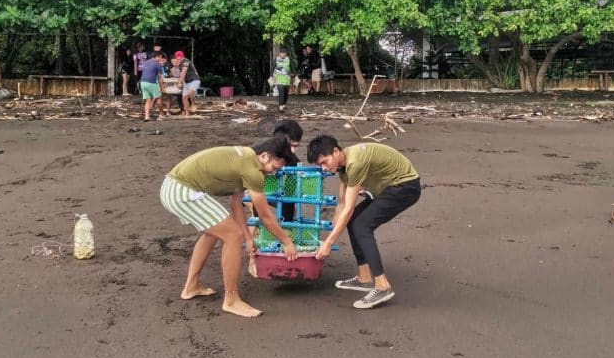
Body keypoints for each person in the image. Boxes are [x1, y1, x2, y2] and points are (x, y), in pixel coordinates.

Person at [160, 139, 298, 318]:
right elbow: (265, 216)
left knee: (214, 233)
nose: (275, 172)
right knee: (233, 235)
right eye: (275, 167)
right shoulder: (252, 169)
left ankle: (191, 287)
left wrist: (249, 239)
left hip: (175, 188)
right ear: (264, 156)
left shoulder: (245, 159)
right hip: (181, 191)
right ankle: (231, 300)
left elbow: (236, 203)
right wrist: (286, 242)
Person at [307, 135, 422, 310]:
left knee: (362, 225)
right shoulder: (343, 168)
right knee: (354, 221)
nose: (324, 168)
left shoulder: (355, 163)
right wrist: (326, 240)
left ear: (336, 151)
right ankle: (364, 278)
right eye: (320, 165)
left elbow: (348, 208)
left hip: (406, 186)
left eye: (325, 162)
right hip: (388, 188)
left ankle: (382, 287)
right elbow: (341, 204)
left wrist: (329, 244)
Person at [139, 52, 168, 121]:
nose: (161, 59)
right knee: (159, 98)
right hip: (151, 82)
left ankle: (147, 116)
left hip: (142, 83)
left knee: (147, 100)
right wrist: (162, 88)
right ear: (159, 56)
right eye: (161, 58)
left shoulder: (145, 62)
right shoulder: (157, 64)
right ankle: (161, 114)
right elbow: (160, 78)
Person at [172, 49, 200, 118]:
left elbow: (184, 73)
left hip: (194, 80)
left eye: (180, 58)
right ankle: (187, 113)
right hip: (187, 82)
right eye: (177, 58)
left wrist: (179, 83)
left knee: (190, 92)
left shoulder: (186, 62)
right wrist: (182, 83)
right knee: (184, 97)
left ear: (183, 57)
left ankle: (193, 104)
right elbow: (181, 74)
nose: (179, 60)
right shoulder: (180, 64)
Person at [272, 46, 292, 112]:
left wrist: (295, 74)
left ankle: (283, 104)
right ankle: (280, 106)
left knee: (286, 93)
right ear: (279, 53)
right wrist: (271, 76)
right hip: (279, 79)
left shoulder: (288, 59)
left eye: (284, 53)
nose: (283, 54)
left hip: (287, 79)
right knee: (281, 92)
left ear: (286, 54)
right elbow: (272, 68)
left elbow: (292, 67)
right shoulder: (276, 59)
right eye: (281, 53)